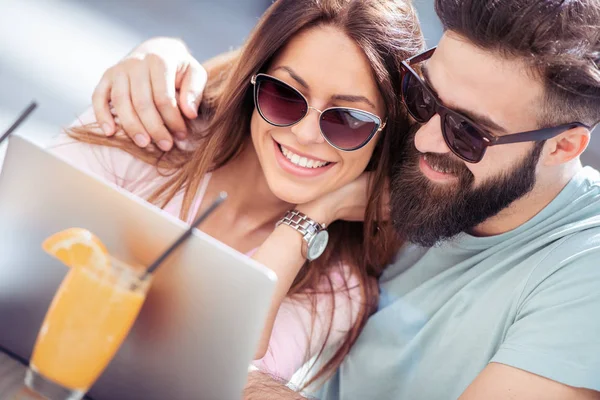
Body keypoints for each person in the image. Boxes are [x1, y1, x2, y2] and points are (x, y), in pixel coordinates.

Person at [93, 0, 600, 399]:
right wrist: (159, 60)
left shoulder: (585, 269)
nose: (424, 141)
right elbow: (304, 84)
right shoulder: (407, 152)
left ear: (563, 145)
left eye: (468, 132)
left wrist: (219, 371)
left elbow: (209, 357)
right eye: (423, 98)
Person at [51, 0, 425, 392]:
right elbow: (23, 231)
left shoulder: (338, 286)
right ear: (255, 79)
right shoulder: (147, 125)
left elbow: (218, 380)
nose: (305, 135)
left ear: (386, 136)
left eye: (348, 120)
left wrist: (311, 217)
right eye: (285, 94)